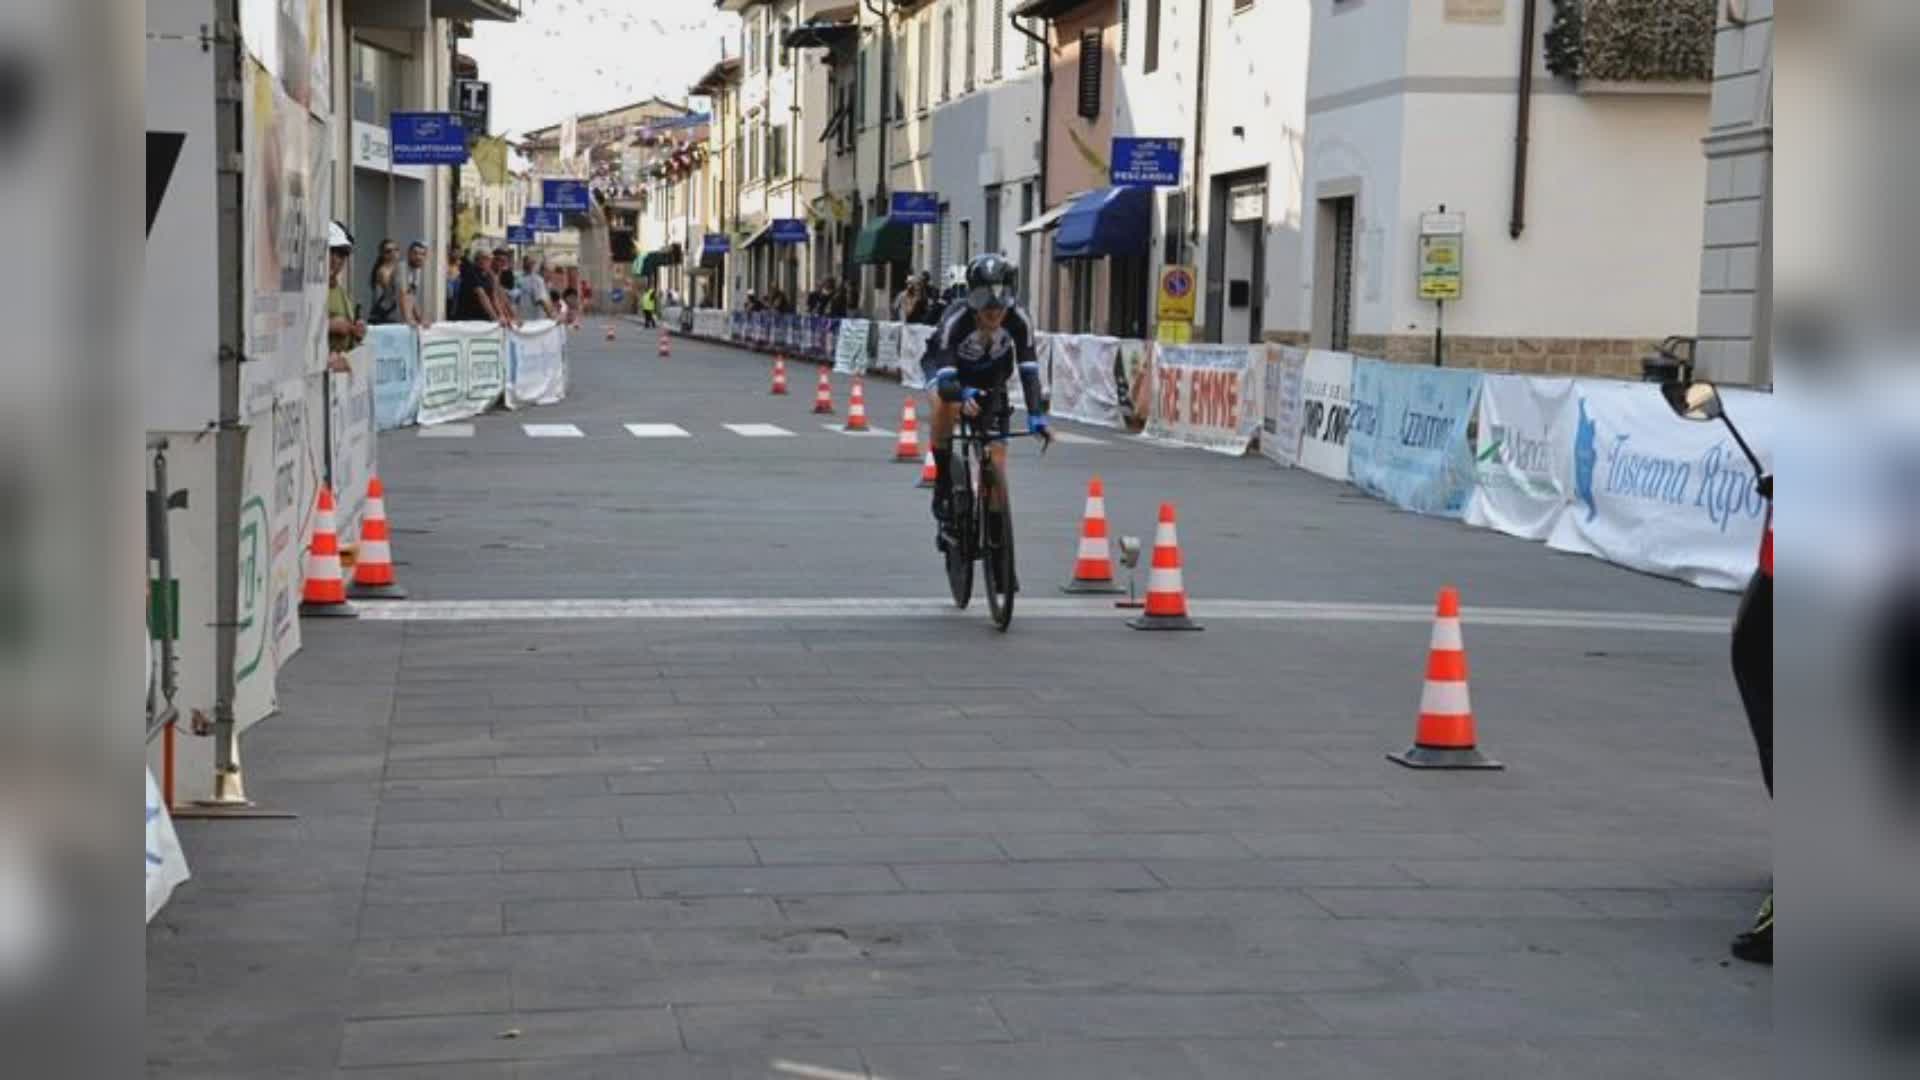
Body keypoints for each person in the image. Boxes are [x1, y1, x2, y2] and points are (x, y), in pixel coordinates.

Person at [918, 254, 1049, 553]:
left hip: (993, 376)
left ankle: (997, 542)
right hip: (949, 372)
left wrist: (1036, 416)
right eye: (985, 303)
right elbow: (947, 379)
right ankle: (942, 482)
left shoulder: (1019, 319)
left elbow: (1030, 370)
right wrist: (961, 395)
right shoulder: (956, 320)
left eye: (1000, 303)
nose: (993, 312)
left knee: (998, 459)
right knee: (944, 405)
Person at [325, 221, 366, 362]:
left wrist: (357, 332)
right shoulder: (308, 293)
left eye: (344, 254)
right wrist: (329, 325)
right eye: (334, 251)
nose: (337, 260)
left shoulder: (342, 293)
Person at [452, 239, 503, 323]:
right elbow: (482, 296)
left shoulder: (488, 275)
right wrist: (495, 319)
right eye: (485, 258)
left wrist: (501, 315)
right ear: (477, 259)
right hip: (469, 319)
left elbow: (495, 298)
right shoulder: (471, 272)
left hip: (483, 318)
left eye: (490, 259)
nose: (488, 262)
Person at [366, 239, 402, 326]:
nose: (393, 253)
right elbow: (391, 294)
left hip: (389, 314)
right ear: (382, 254)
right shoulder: (383, 271)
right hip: (382, 316)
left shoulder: (396, 269)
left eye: (396, 249)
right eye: (388, 251)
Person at [400, 241, 431, 327]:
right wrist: (408, 319)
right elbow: (403, 295)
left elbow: (412, 297)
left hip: (401, 321)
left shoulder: (416, 270)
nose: (419, 257)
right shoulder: (402, 268)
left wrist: (420, 318)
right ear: (409, 254)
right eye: (415, 253)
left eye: (422, 254)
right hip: (389, 320)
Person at [518, 254, 556, 322]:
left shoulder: (536, 280)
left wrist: (551, 315)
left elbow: (543, 300)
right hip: (532, 320)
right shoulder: (532, 279)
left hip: (532, 320)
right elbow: (541, 300)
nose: (550, 274)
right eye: (549, 271)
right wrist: (552, 316)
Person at [490, 248, 518, 328]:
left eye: (505, 261)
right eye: (501, 261)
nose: (503, 264)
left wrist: (513, 316)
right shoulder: (489, 274)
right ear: (494, 260)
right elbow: (495, 298)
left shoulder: (500, 274)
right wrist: (502, 316)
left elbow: (504, 298)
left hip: (498, 318)